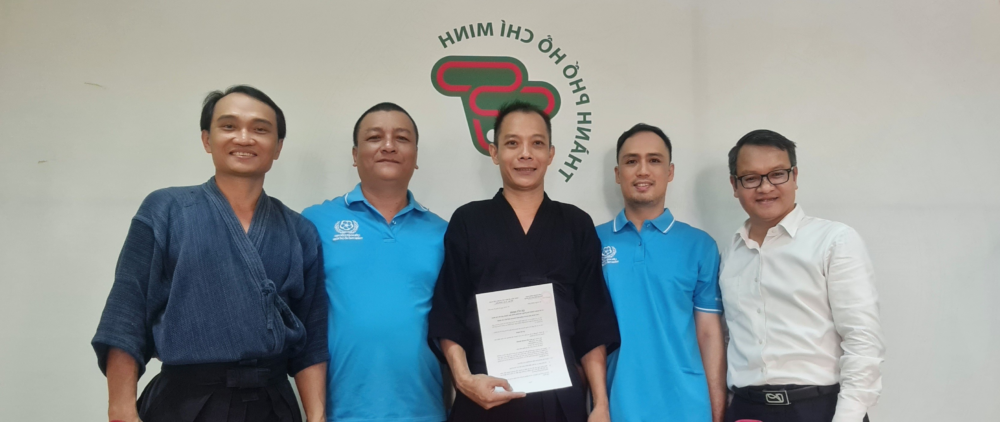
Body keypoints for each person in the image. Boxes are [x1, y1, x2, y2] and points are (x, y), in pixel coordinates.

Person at [92, 85, 328, 422]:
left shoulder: (299, 231)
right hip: (184, 402)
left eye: (260, 129)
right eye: (229, 126)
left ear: (277, 147)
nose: (244, 138)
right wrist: (121, 409)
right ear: (207, 139)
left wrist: (317, 416)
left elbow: (312, 339)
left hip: (272, 404)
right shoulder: (166, 210)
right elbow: (126, 313)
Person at [427, 101, 620, 422]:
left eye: (537, 143)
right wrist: (463, 380)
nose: (525, 154)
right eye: (513, 143)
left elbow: (593, 319)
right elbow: (449, 310)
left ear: (551, 154)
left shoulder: (576, 224)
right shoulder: (468, 221)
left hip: (559, 399)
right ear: (494, 152)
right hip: (484, 394)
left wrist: (600, 404)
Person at [720, 129, 885, 422]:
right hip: (746, 410)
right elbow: (730, 338)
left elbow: (862, 338)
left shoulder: (834, 240)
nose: (765, 187)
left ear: (794, 176)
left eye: (777, 174)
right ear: (735, 185)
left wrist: (847, 417)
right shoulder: (731, 253)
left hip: (819, 409)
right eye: (751, 178)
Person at [301, 102, 448, 422]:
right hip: (341, 413)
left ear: (416, 157)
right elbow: (302, 322)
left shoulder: (444, 233)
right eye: (374, 137)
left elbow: (455, 329)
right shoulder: (314, 223)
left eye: (402, 138)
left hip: (426, 412)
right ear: (355, 155)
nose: (389, 146)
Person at [595, 124, 727, 422]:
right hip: (617, 407)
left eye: (654, 160)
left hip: (689, 408)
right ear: (617, 173)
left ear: (670, 171)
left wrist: (717, 412)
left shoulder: (699, 245)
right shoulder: (591, 241)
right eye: (631, 161)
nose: (643, 170)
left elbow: (709, 334)